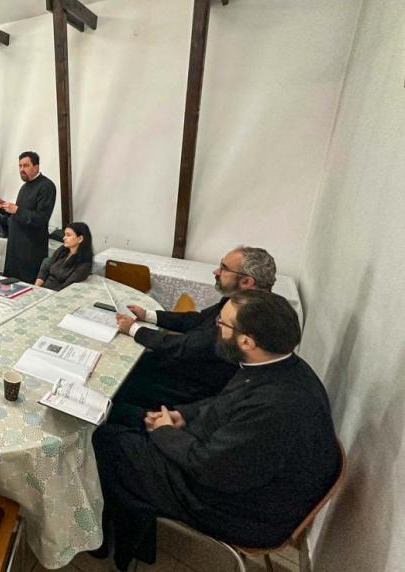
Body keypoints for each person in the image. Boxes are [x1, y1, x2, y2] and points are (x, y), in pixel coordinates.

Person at [93, 290, 340, 571]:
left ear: (247, 341)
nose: (215, 328)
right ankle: (125, 523)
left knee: (105, 442)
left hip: (236, 508)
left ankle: (112, 540)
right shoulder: (276, 365)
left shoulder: (275, 407)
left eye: (221, 324)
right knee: (120, 413)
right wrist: (181, 415)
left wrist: (164, 432)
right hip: (227, 463)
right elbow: (223, 403)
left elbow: (208, 467)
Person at [108, 246, 277, 426]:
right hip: (186, 366)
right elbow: (197, 319)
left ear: (246, 281)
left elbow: (188, 345)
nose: (216, 271)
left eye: (224, 268)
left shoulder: (248, 319)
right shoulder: (238, 300)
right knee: (133, 363)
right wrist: (149, 315)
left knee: (119, 386)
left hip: (190, 387)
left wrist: (134, 329)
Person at [0, 151, 57, 283]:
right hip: (16, 247)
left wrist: (17, 210)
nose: (21, 169)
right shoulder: (25, 187)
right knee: (11, 286)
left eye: (26, 165)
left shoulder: (46, 186)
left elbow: (41, 218)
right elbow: (20, 214)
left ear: (36, 167)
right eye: (20, 166)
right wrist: (3, 206)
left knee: (27, 288)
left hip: (31, 250)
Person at [35, 222, 93, 290]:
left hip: (57, 292)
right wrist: (36, 286)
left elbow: (67, 287)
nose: (64, 238)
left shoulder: (84, 264)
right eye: (65, 235)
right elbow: (46, 266)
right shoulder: (62, 250)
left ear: (80, 239)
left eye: (68, 235)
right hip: (43, 288)